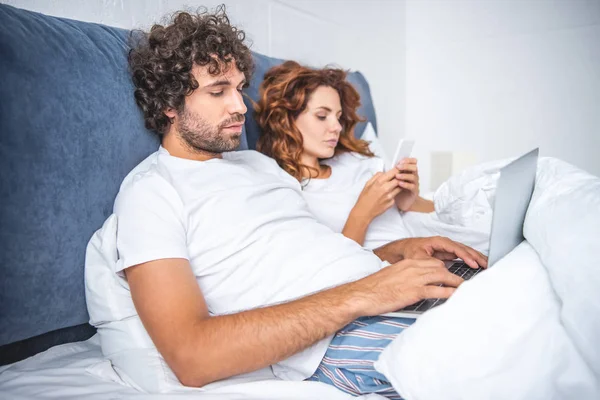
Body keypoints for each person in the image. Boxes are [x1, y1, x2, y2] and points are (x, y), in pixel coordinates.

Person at [86, 7, 486, 398]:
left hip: (379, 291)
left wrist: (397, 252)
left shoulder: (259, 165)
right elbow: (192, 356)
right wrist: (365, 293)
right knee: (507, 344)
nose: (241, 106)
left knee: (516, 279)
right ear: (169, 105)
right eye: (217, 91)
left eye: (239, 88)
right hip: (338, 337)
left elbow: (309, 255)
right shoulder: (152, 191)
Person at [255, 61, 434, 250]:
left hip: (424, 249)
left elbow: (432, 213)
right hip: (381, 269)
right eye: (322, 116)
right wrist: (363, 212)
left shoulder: (356, 160)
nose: (337, 127)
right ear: (286, 120)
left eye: (338, 117)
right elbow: (334, 265)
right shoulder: (288, 190)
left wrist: (409, 201)